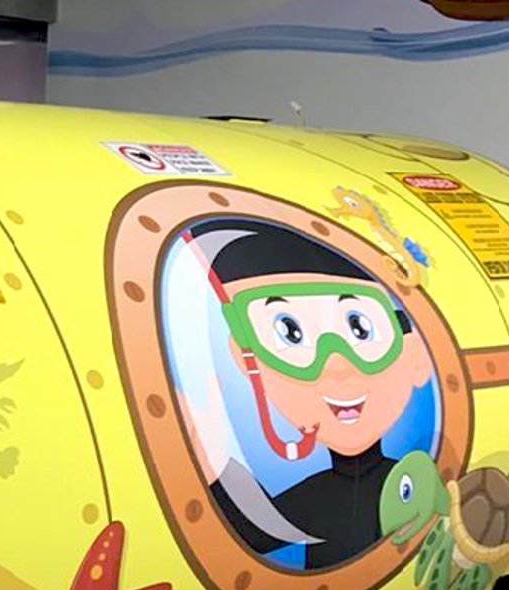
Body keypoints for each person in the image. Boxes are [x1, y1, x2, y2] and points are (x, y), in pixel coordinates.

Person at [187, 218, 438, 569]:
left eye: (360, 328)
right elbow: (248, 533)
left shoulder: (418, 479)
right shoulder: (315, 499)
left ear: (415, 356)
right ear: (245, 361)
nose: (335, 366)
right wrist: (217, 470)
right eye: (289, 333)